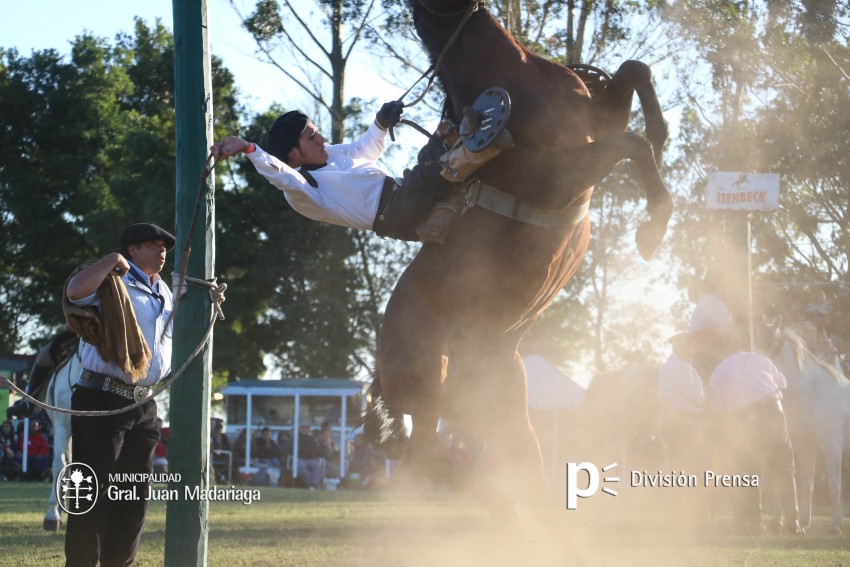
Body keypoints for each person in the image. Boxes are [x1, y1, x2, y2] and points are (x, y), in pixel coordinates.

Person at [209, 101, 511, 242]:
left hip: (405, 192)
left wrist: (381, 122)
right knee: (428, 165)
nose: (322, 139)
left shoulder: (331, 155)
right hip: (397, 215)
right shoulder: (302, 192)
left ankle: (475, 138)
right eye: (311, 137)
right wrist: (250, 149)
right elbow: (283, 177)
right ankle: (485, 145)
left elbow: (363, 149)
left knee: (442, 132)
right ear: (293, 154)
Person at [63, 222, 175, 567]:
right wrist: (110, 260)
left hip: (144, 404)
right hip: (102, 399)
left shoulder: (166, 291)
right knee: (91, 495)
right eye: (153, 245)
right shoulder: (112, 279)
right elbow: (74, 294)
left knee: (134, 499)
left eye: (164, 247)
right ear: (132, 250)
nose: (162, 251)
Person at [690, 295, 802, 536]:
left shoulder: (718, 371)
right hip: (774, 413)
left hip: (744, 419)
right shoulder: (761, 359)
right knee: (784, 468)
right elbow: (782, 384)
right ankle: (793, 523)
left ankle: (753, 523)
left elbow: (719, 409)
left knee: (748, 471)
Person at [295, 424, 324, 490]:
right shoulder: (296, 437)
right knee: (302, 467)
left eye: (306, 428)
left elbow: (315, 450)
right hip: (300, 458)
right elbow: (291, 448)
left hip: (311, 459)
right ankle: (311, 485)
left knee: (317, 466)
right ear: (300, 429)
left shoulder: (311, 438)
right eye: (303, 428)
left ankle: (314, 484)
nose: (305, 429)